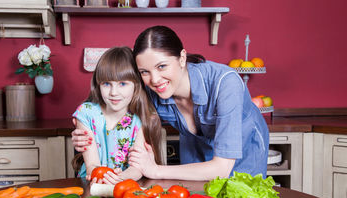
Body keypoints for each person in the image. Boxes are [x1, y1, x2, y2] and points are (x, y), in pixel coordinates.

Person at [72, 26, 269, 181]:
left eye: (162, 66)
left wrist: (156, 171)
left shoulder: (227, 83)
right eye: (144, 72)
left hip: (242, 153)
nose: (155, 80)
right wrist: (85, 129)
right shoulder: (151, 90)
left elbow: (222, 168)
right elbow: (113, 106)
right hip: (194, 149)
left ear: (182, 58)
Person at [71, 46, 163, 184]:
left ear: (136, 85)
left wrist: (119, 179)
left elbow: (137, 168)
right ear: (98, 84)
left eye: (123, 84)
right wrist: (103, 178)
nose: (114, 92)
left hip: (127, 184)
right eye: (107, 84)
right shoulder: (86, 113)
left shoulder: (142, 118)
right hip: (92, 184)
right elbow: (92, 165)